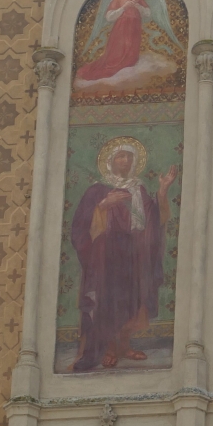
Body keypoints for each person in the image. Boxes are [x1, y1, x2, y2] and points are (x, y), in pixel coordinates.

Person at [69, 142, 177, 371]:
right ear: (110, 161)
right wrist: (103, 205)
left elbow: (154, 218)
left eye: (129, 157)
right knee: (109, 300)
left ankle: (125, 346)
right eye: (120, 157)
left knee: (133, 300)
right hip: (107, 254)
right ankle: (109, 348)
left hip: (135, 252)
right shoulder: (97, 190)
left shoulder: (139, 188)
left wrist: (163, 190)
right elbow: (81, 224)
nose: (125, 161)